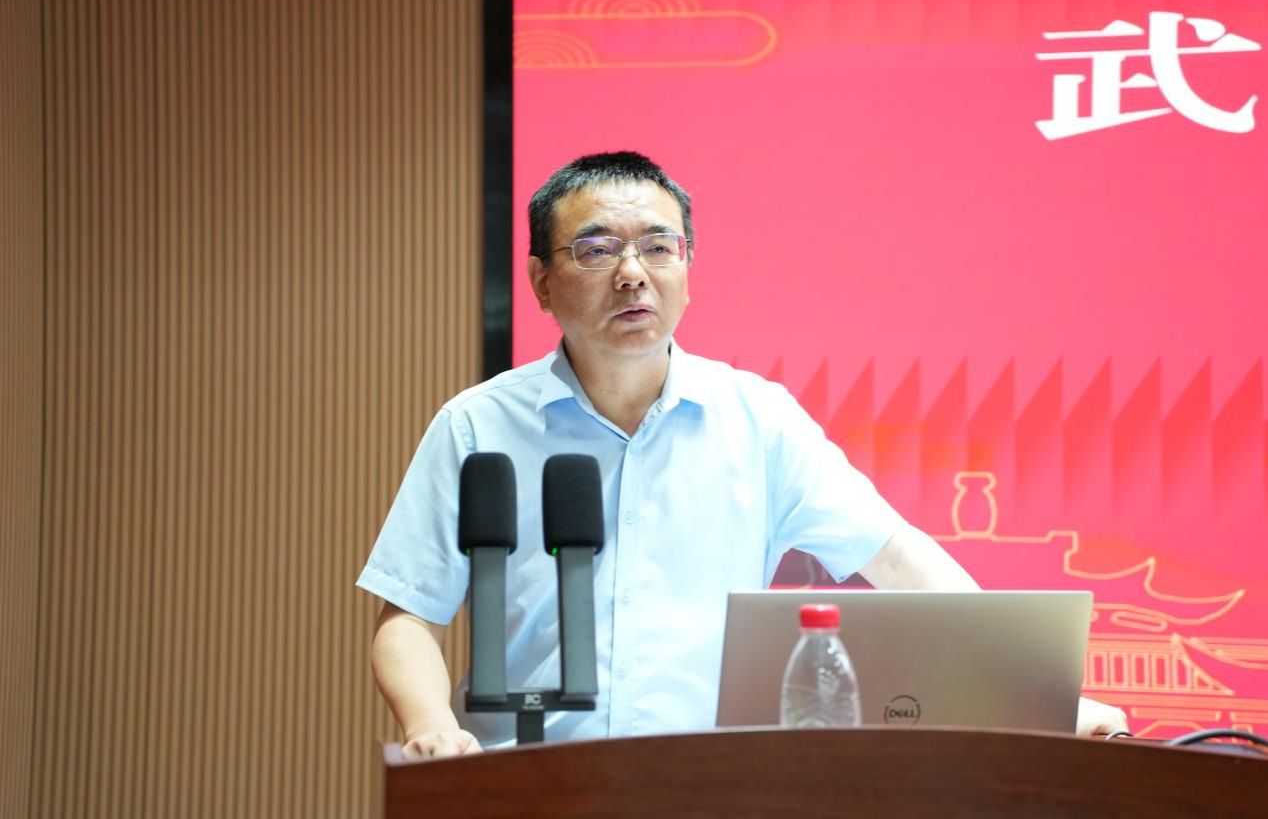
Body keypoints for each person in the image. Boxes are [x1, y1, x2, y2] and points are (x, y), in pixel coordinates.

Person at [357, 151, 1127, 758]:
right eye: (596, 249)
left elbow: (894, 556)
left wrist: (1040, 697)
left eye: (659, 246)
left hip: (710, 784)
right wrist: (431, 726)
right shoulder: (477, 426)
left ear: (687, 268)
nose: (633, 272)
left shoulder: (756, 420)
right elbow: (408, 615)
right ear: (540, 281)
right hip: (523, 779)